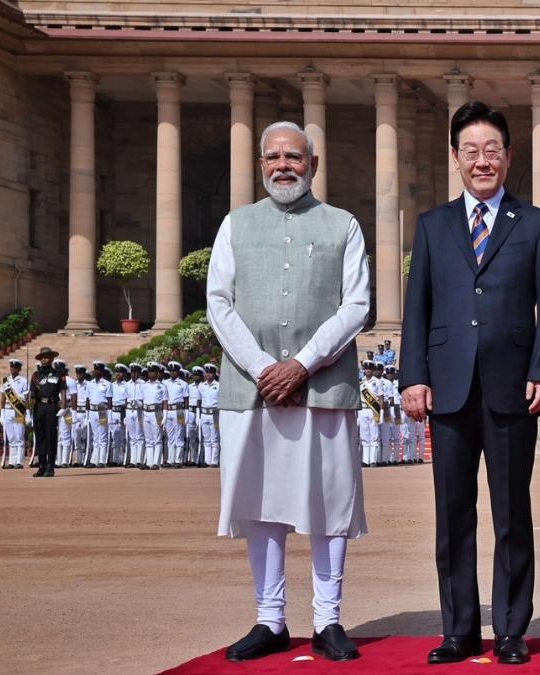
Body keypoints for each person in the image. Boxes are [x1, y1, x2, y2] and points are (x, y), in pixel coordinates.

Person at [399, 100, 540, 666]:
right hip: (447, 387)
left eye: (491, 150)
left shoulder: (537, 224)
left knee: (512, 513)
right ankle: (459, 630)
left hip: (511, 387)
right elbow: (417, 309)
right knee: (453, 515)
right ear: (455, 158)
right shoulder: (432, 226)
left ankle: (512, 630)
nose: (482, 161)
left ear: (509, 156)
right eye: (470, 151)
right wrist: (412, 378)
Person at [208, 120, 371, 662]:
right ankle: (269, 617)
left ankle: (329, 620)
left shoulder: (342, 225)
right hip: (253, 389)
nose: (284, 166)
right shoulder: (235, 224)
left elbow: (356, 305)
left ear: (313, 165)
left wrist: (300, 364)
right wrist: (263, 367)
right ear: (260, 165)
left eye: (295, 157)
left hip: (322, 384)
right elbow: (219, 303)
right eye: (274, 157)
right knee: (262, 503)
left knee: (328, 504)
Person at [29, 348, 68, 476]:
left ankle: (50, 466)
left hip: (51, 407)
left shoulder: (58, 373)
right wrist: (29, 409)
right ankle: (41, 465)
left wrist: (63, 406)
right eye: (42, 357)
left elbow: (62, 391)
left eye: (47, 357)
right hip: (39, 407)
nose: (44, 359)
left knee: (51, 436)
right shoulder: (36, 375)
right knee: (40, 437)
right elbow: (31, 393)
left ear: (52, 359)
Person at [0, 358, 30, 469]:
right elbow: (3, 398)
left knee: (19, 436)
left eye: (15, 367)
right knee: (11, 437)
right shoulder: (5, 381)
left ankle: (19, 462)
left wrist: (28, 413)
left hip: (19, 411)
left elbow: (26, 399)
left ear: (19, 369)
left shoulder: (24, 381)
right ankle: (11, 462)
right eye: (11, 367)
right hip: (7, 411)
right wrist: (1, 413)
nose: (13, 369)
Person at [140, 363, 168, 470]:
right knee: (148, 439)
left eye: (153, 371)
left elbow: (165, 402)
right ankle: (149, 462)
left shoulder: (162, 386)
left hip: (156, 412)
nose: (150, 373)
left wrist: (164, 416)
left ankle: (156, 462)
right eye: (149, 371)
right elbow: (142, 401)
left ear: (157, 373)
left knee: (157, 439)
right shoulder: (144, 386)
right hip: (146, 412)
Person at [87, 361, 113, 468]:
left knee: (102, 436)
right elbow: (88, 401)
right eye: (94, 369)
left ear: (102, 371)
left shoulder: (107, 384)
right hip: (92, 412)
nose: (95, 371)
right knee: (95, 437)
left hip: (102, 411)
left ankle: (102, 460)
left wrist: (110, 416)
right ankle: (94, 460)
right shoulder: (90, 384)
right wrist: (87, 415)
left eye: (97, 370)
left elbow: (110, 401)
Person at [164, 361, 188, 468]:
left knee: (179, 435)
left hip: (179, 410)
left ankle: (178, 460)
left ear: (178, 372)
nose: (172, 373)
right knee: (170, 436)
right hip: (168, 410)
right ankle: (170, 460)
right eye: (171, 371)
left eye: (174, 371)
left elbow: (186, 400)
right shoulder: (165, 383)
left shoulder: (183, 384)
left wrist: (186, 414)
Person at [53, 359, 74, 469]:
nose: (57, 371)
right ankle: (58, 460)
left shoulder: (70, 381)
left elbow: (73, 398)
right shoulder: (53, 380)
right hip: (55, 409)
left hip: (67, 411)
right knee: (58, 436)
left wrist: (67, 408)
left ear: (64, 369)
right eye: (56, 369)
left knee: (65, 435)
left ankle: (65, 461)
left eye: (59, 369)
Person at [198, 363, 221, 468]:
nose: (208, 375)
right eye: (207, 372)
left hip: (215, 414)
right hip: (204, 413)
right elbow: (199, 401)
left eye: (210, 373)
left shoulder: (218, 385)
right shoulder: (201, 386)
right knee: (206, 438)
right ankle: (207, 460)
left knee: (215, 438)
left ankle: (214, 461)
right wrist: (198, 416)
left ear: (214, 373)